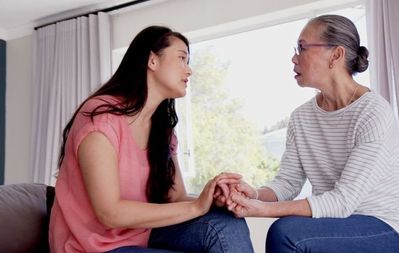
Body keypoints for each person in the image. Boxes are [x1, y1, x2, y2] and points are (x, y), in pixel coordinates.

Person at [217, 14, 399, 253]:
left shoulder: (373, 113)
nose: (294, 57)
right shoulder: (302, 117)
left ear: (336, 55)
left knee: (288, 233)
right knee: (286, 230)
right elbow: (288, 182)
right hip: (336, 223)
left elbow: (343, 201)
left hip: (387, 227)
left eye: (301, 47)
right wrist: (255, 194)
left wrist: (263, 210)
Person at [49, 26, 254, 253]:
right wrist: (196, 208)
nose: (189, 70)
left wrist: (211, 197)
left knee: (224, 223)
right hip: (92, 247)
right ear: (152, 61)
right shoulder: (101, 117)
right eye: (182, 58)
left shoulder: (162, 130)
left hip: (142, 236)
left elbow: (177, 198)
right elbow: (109, 213)